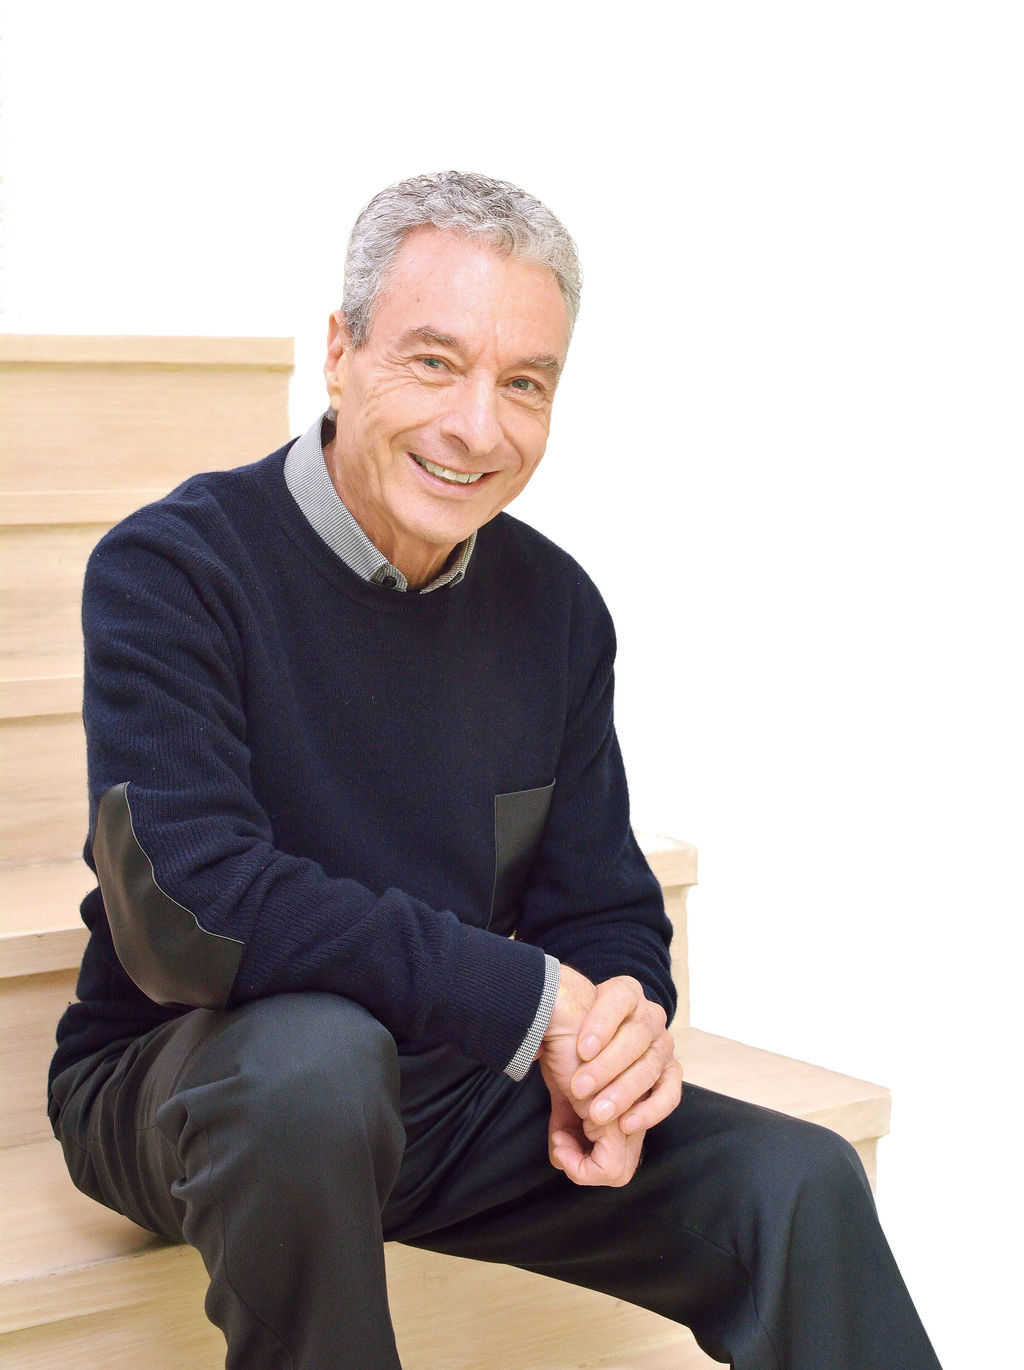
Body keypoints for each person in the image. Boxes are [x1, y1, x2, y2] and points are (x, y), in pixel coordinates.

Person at [48, 170, 941, 1369]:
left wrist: (616, 1039)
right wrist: (524, 1000)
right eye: (434, 361)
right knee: (316, 1061)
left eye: (524, 383)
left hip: (447, 1083)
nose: (478, 427)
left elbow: (602, 905)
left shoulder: (554, 606)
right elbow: (190, 911)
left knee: (797, 1180)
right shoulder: (174, 568)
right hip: (196, 1082)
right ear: (340, 352)